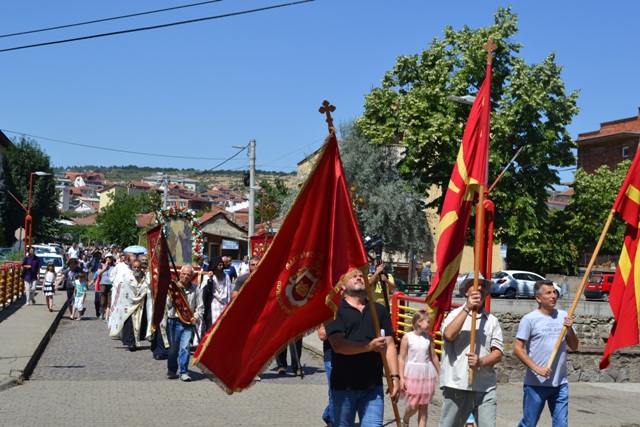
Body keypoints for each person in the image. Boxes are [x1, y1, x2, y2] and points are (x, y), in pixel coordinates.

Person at [326, 269, 400, 426]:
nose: (359, 278)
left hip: (373, 387)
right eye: (353, 276)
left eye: (361, 275)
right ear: (342, 285)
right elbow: (338, 345)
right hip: (343, 386)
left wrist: (395, 377)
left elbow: (389, 344)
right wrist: (369, 346)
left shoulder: (378, 310)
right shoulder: (334, 311)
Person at [439, 277, 504, 427]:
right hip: (457, 383)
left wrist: (481, 361)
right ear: (466, 292)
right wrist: (467, 308)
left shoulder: (492, 321)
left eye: (483, 286)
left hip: (485, 386)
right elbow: (448, 335)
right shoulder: (454, 315)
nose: (479, 288)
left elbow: (498, 353)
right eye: (475, 285)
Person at [514, 280, 579, 427]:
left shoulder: (564, 316)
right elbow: (517, 348)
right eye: (548, 293)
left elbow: (574, 346)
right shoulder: (529, 319)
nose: (553, 296)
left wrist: (569, 329)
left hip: (560, 383)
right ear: (538, 298)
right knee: (529, 424)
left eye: (554, 292)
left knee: (561, 425)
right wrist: (537, 369)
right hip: (536, 384)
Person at [399, 310, 440, 427]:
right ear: (419, 322)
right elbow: (401, 358)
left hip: (426, 373)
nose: (429, 324)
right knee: (413, 405)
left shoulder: (428, 338)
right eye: (428, 322)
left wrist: (440, 372)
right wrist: (401, 377)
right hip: (412, 373)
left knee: (423, 408)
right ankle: (405, 419)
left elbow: (434, 356)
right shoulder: (407, 337)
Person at [166, 264, 203, 382]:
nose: (185, 276)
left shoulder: (196, 288)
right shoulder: (172, 287)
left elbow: (200, 306)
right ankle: (172, 370)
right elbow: (168, 305)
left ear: (192, 276)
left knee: (185, 347)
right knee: (173, 349)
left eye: (188, 275)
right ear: (180, 274)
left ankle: (183, 372)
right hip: (174, 321)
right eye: (184, 274)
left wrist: (196, 317)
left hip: (187, 323)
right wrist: (175, 293)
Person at [109, 260, 152, 351]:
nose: (136, 269)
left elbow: (147, 286)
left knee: (139, 324)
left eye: (138, 267)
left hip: (139, 305)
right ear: (132, 268)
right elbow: (127, 290)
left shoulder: (143, 277)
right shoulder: (127, 277)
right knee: (130, 325)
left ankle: (136, 342)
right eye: (135, 267)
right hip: (128, 305)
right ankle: (130, 343)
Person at [200, 256, 233, 339]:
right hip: (211, 307)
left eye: (222, 265)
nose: (221, 267)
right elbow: (204, 293)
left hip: (224, 306)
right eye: (219, 265)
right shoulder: (207, 277)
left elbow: (229, 292)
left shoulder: (226, 277)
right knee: (211, 330)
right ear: (214, 266)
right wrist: (210, 281)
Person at [318, 322, 334, 427]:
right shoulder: (328, 313)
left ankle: (328, 415)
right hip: (331, 358)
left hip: (351, 357)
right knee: (335, 391)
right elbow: (322, 335)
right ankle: (333, 422)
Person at [97, 254, 115, 322]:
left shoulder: (114, 266)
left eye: (111, 258)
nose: (109, 259)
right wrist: (105, 267)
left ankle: (107, 317)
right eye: (108, 258)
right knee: (102, 301)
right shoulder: (101, 265)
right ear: (106, 258)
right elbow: (99, 273)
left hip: (111, 284)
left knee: (109, 301)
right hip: (103, 284)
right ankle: (102, 312)